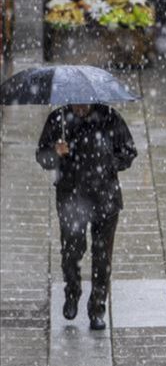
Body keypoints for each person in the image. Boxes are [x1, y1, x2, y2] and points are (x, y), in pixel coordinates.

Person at [37, 104, 137, 330]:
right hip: (71, 196)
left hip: (105, 197)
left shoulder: (109, 118)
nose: (81, 108)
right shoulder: (59, 119)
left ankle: (97, 307)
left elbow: (129, 151)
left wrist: (107, 162)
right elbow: (42, 156)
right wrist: (55, 152)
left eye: (85, 104)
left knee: (102, 257)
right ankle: (72, 292)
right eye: (77, 104)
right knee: (72, 250)